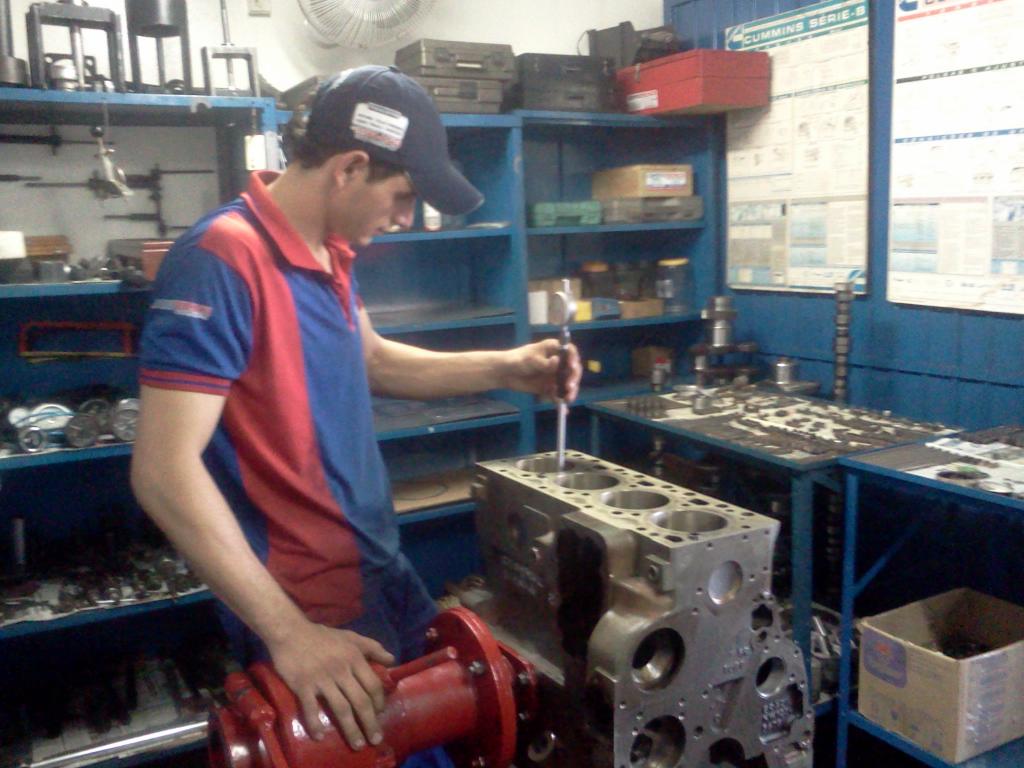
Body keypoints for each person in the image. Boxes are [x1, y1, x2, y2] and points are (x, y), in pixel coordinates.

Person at [130, 65, 581, 757]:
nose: (405, 219)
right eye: (403, 197)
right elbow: (163, 471)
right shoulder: (221, 259)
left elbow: (371, 359)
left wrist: (508, 368)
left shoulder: (330, 249)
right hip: (307, 605)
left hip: (379, 568)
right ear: (349, 169)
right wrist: (290, 635)